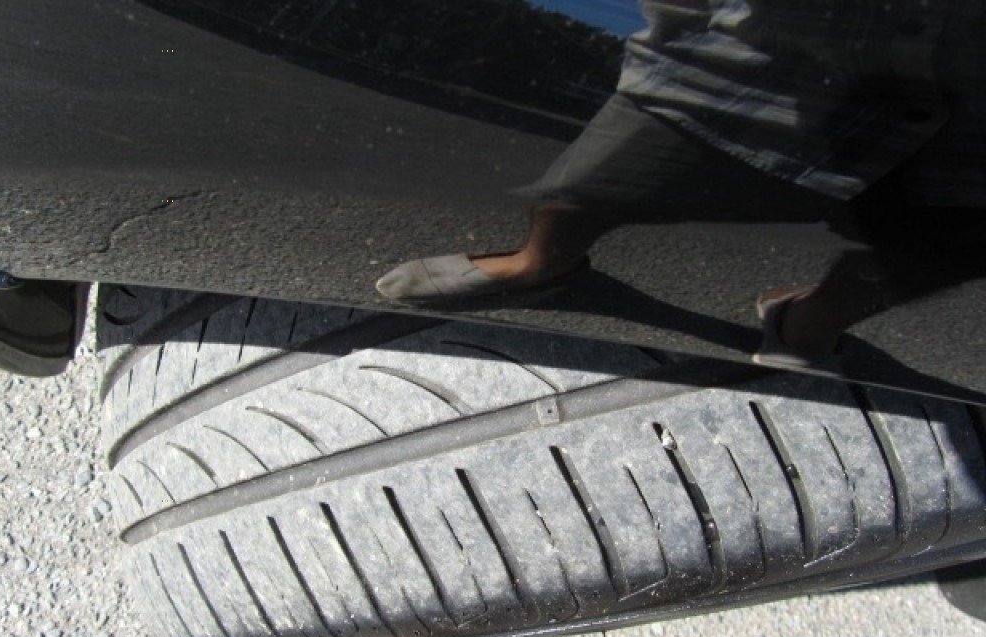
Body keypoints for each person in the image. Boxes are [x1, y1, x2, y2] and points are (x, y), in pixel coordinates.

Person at [375, 0, 985, 366]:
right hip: (761, 62)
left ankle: (807, 323)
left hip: (972, 120)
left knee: (927, 249)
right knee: (597, 183)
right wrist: (682, 35)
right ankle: (537, 264)